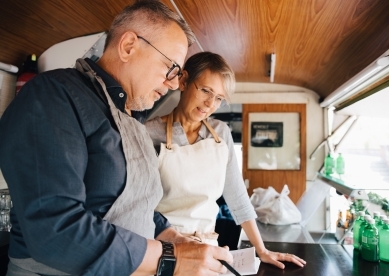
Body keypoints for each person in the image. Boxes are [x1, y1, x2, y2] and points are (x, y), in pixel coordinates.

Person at [0, 1, 233, 275]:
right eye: (171, 68)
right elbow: (55, 230)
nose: (173, 83)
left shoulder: (133, 118)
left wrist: (172, 237)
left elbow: (138, 205)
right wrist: (171, 257)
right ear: (128, 47)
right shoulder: (52, 96)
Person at [145, 51, 307, 269]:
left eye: (219, 98)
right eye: (205, 91)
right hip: (163, 249)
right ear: (183, 81)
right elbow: (139, 205)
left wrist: (262, 250)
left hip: (208, 246)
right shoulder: (148, 133)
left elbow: (237, 195)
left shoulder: (221, 133)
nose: (210, 103)